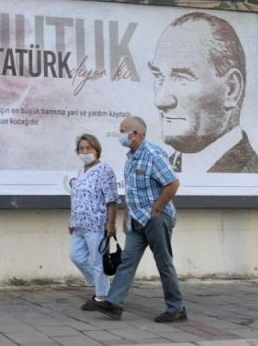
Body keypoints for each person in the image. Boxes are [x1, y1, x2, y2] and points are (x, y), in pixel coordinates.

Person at [86, 116, 186, 323]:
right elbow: (133, 191)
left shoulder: (153, 154)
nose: (120, 135)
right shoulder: (131, 157)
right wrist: (127, 214)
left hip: (156, 219)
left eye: (123, 131)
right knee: (127, 261)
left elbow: (172, 184)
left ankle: (176, 308)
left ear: (135, 134)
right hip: (136, 220)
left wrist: (156, 210)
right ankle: (114, 304)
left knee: (164, 263)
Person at [148, 12, 258, 173]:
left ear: (231, 89)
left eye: (182, 78)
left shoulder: (252, 174)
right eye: (159, 76)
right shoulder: (161, 170)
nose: (160, 101)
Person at [66, 134, 119, 309]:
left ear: (96, 149)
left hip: (96, 224)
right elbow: (77, 198)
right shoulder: (80, 171)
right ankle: (102, 286)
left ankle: (102, 296)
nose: (85, 151)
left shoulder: (104, 170)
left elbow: (111, 200)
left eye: (88, 148)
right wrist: (71, 220)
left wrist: (110, 224)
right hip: (78, 224)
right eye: (81, 149)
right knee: (76, 257)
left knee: (97, 262)